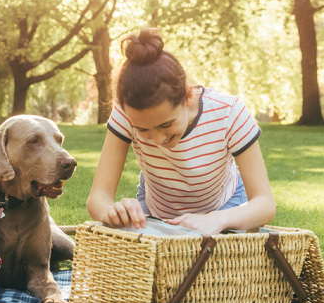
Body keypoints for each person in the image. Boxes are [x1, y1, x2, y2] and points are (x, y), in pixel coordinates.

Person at [86, 28, 275, 236]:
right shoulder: (125, 113)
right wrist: (112, 212)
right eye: (142, 129)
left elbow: (265, 204)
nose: (157, 139)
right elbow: (98, 197)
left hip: (225, 209)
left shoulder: (229, 113)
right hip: (156, 212)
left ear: (187, 97)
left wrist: (217, 219)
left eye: (166, 125)